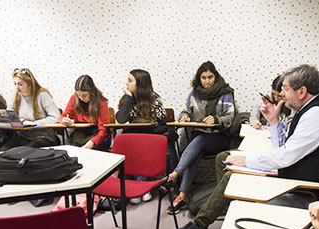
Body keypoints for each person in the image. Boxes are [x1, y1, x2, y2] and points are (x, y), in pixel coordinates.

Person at [173, 64, 319, 229]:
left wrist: (247, 161)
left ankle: (202, 222)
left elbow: (285, 156)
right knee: (224, 158)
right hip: (294, 174)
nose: (281, 94)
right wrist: (273, 121)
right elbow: (284, 147)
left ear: (302, 91)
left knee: (232, 174)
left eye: (285, 89)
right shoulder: (307, 109)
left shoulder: (317, 113)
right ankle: (227, 205)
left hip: (308, 189)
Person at [167, 61, 235, 213]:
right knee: (196, 151)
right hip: (200, 138)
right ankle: (182, 195)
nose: (206, 81)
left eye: (210, 77)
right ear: (199, 78)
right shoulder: (194, 94)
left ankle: (176, 172)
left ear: (215, 77)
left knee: (200, 140)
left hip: (220, 138)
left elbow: (230, 117)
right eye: (203, 78)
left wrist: (217, 120)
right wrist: (184, 116)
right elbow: (186, 111)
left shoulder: (226, 93)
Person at [116, 69, 172, 204]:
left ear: (140, 83)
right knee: (124, 145)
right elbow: (121, 119)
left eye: (130, 81)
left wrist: (147, 132)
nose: (126, 83)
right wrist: (128, 98)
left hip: (151, 136)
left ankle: (141, 187)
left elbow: (163, 125)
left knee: (143, 147)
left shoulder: (153, 98)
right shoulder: (127, 99)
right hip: (134, 137)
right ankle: (131, 187)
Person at [0, 68, 61, 150]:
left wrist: (35, 124)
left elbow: (56, 117)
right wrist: (23, 121)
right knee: (4, 149)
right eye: (15, 84)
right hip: (24, 137)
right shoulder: (15, 96)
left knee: (27, 151)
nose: (17, 88)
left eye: (20, 84)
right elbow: (9, 116)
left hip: (43, 136)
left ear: (29, 84)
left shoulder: (42, 94)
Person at [60, 75, 111, 151]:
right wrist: (64, 120)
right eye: (78, 95)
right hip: (80, 131)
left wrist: (93, 142)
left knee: (91, 148)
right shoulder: (74, 98)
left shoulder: (101, 102)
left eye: (84, 95)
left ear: (92, 92)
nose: (81, 98)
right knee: (73, 145)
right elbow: (64, 116)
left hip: (97, 133)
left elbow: (103, 130)